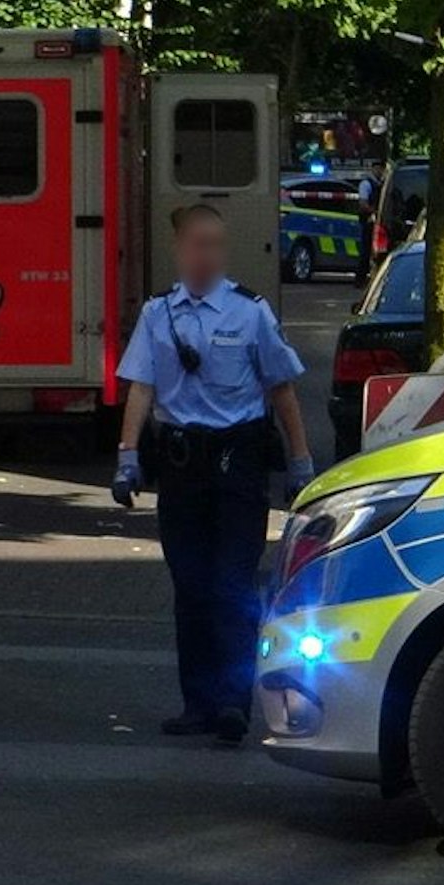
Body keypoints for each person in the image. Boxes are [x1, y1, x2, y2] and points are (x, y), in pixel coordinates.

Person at [112, 205, 315, 745]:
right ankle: (197, 703)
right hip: (182, 468)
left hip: (238, 465)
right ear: (179, 251)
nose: (208, 255)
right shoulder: (159, 315)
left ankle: (233, 703)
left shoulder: (250, 313)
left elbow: (283, 390)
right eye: (198, 244)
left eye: (216, 244)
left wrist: (301, 463)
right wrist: (127, 456)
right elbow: (141, 387)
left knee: (232, 585)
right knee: (192, 588)